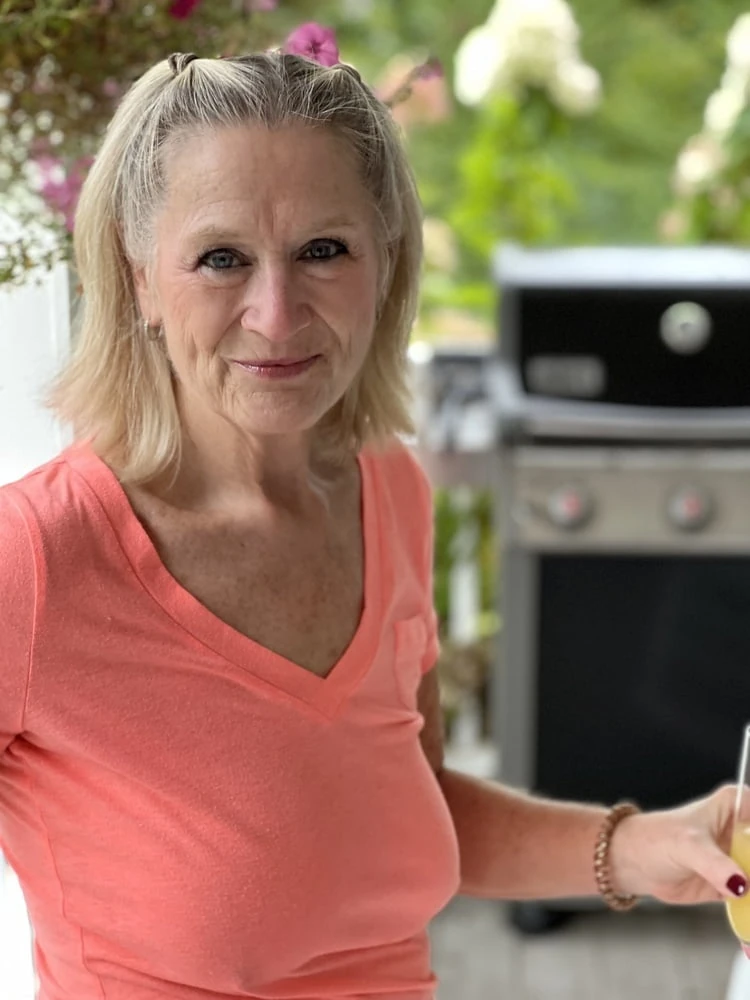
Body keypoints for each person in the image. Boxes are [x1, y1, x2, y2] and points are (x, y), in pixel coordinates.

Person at [0, 48, 746, 1000]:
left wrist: (641, 846)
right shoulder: (34, 559)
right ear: (140, 277)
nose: (276, 315)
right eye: (222, 258)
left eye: (324, 251)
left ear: (385, 263)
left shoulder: (388, 489)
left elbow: (405, 808)